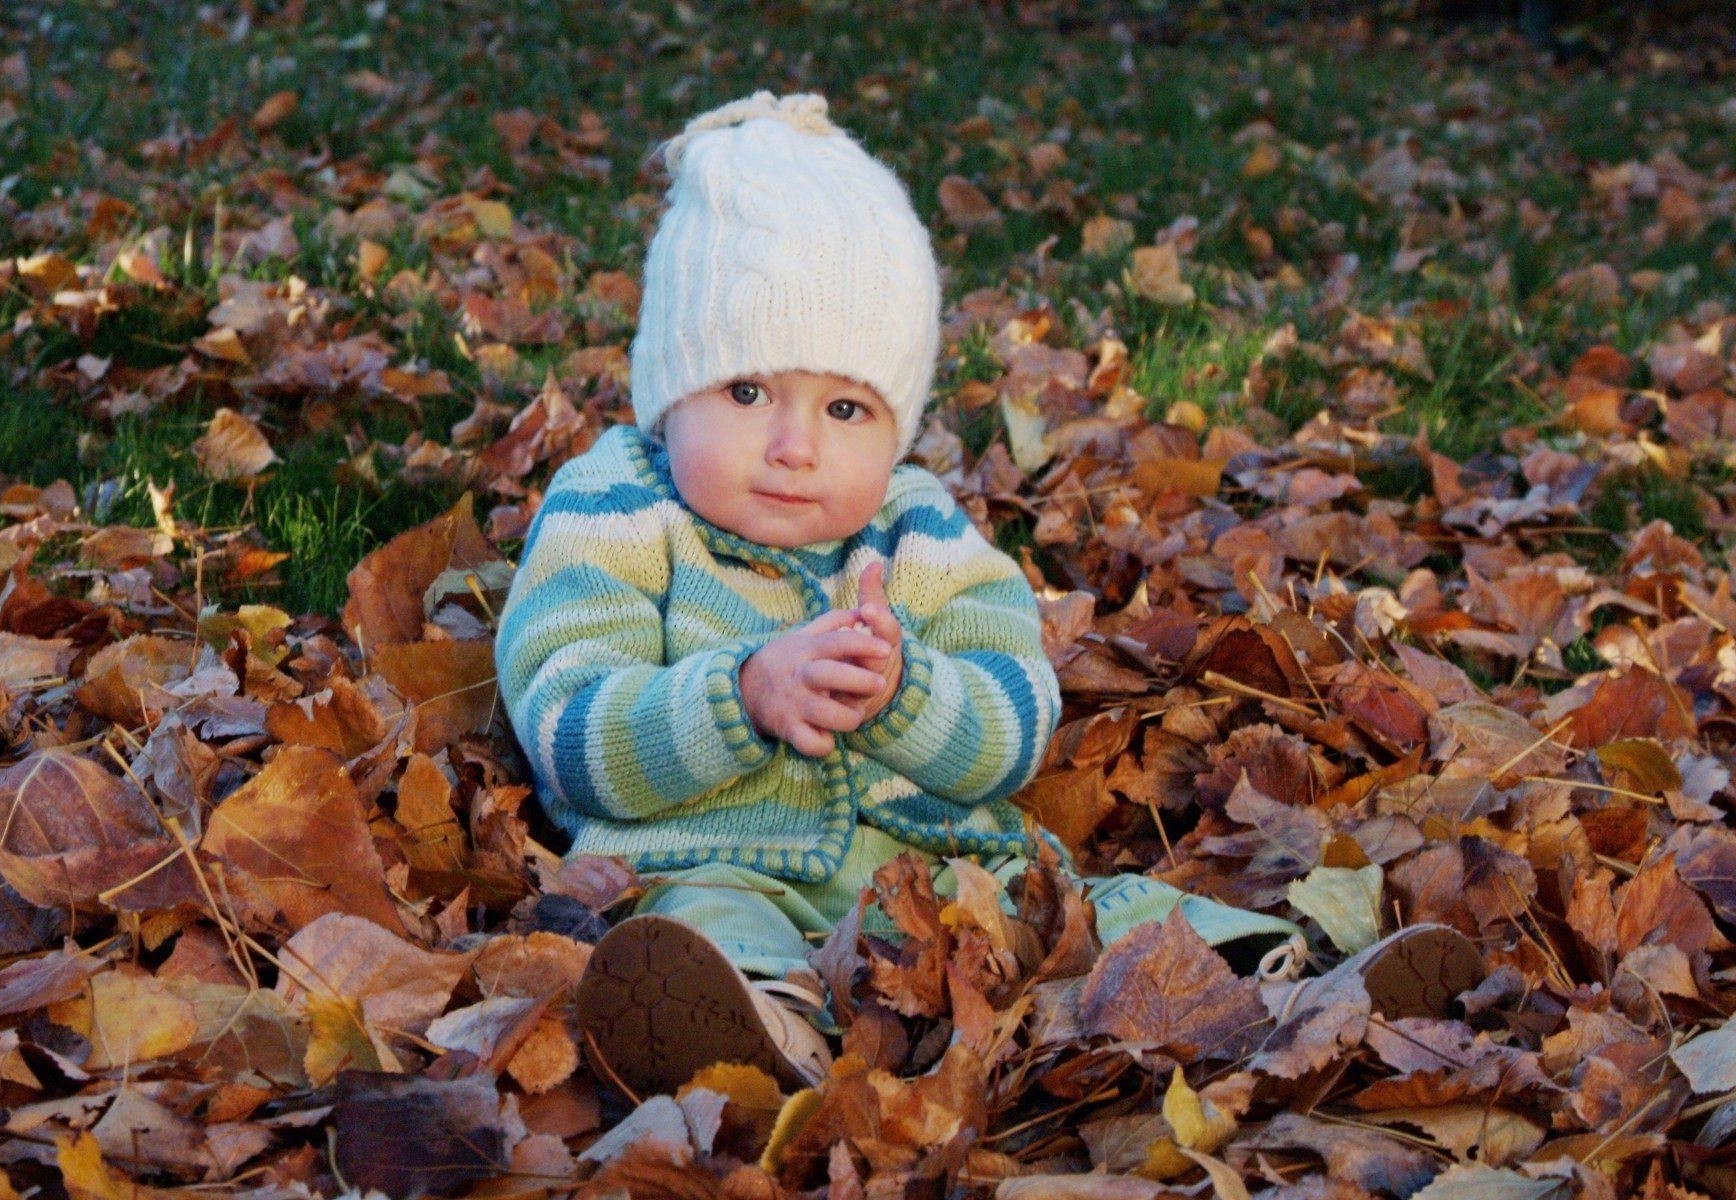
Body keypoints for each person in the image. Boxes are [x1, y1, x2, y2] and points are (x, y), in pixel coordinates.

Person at [492, 91, 1478, 1098]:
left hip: (944, 875)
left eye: (845, 408)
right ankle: (757, 1034)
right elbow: (568, 729)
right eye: (746, 392)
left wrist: (909, 694)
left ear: (897, 426)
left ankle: (1288, 980)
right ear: (669, 389)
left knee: (1093, 914)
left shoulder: (921, 526)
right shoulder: (619, 500)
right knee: (697, 928)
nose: (794, 446)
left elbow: (1012, 726)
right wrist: (738, 695)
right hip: (713, 859)